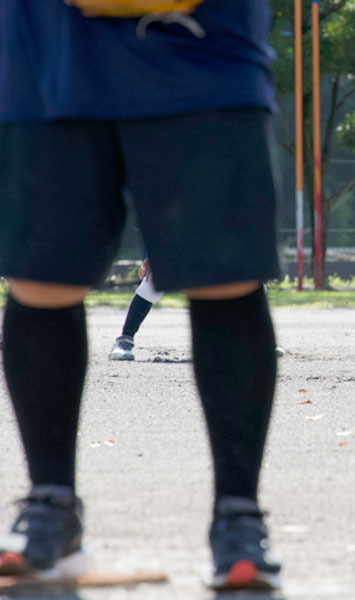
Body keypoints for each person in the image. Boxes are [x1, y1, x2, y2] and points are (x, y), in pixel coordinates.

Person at [0, 1, 282, 590]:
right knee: (42, 278)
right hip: (51, 51)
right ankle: (51, 506)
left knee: (223, 278)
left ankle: (237, 519)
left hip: (202, 47)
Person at [109, 257, 286, 360]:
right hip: (187, 239)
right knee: (153, 279)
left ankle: (261, 341)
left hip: (223, 241)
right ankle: (124, 340)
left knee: (253, 283)